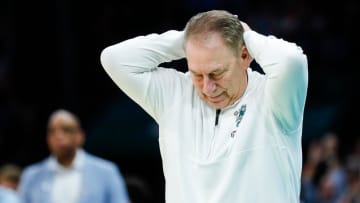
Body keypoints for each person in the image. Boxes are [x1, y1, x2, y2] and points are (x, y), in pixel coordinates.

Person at [101, 10, 308, 202]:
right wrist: (193, 38)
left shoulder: (274, 98)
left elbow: (291, 60)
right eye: (197, 74)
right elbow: (114, 59)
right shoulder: (172, 95)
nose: (208, 87)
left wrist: (247, 35)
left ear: (245, 56)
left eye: (217, 73)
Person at [18, 109, 130, 203]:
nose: (58, 136)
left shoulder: (107, 171)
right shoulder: (31, 175)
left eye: (66, 130)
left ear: (80, 136)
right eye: (52, 131)